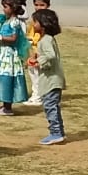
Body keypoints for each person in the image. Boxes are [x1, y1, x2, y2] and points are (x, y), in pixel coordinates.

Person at [0, 0, 29, 116]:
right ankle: (5, 104)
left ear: (13, 8)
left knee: (7, 78)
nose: (3, 9)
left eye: (6, 7)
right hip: (3, 54)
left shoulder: (14, 22)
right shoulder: (7, 21)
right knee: (2, 77)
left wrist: (0, 38)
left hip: (9, 56)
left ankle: (8, 107)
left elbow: (14, 38)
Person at [28, 8, 65, 145]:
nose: (33, 25)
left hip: (52, 80)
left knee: (50, 106)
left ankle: (55, 133)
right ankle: (58, 131)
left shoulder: (46, 40)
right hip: (51, 78)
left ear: (43, 24)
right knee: (52, 105)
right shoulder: (45, 39)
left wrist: (38, 61)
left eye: (35, 22)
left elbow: (51, 55)